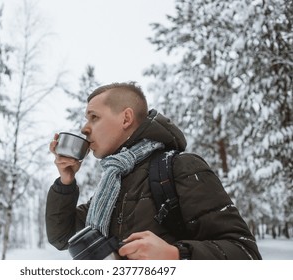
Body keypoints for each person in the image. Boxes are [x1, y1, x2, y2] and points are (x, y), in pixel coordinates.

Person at [46, 82, 262, 260]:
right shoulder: (112, 186)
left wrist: (176, 254)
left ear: (126, 118)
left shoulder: (181, 168)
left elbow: (245, 253)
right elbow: (62, 237)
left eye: (94, 117)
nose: (84, 127)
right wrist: (66, 181)